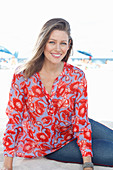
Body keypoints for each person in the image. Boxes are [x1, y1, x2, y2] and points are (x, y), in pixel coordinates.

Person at [1, 18, 113, 170]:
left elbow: (80, 120)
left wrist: (87, 164)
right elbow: (14, 119)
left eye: (63, 43)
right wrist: (7, 165)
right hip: (52, 145)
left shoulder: (76, 76)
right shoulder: (23, 75)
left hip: (75, 127)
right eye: (52, 42)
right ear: (43, 43)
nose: (57, 48)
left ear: (69, 46)